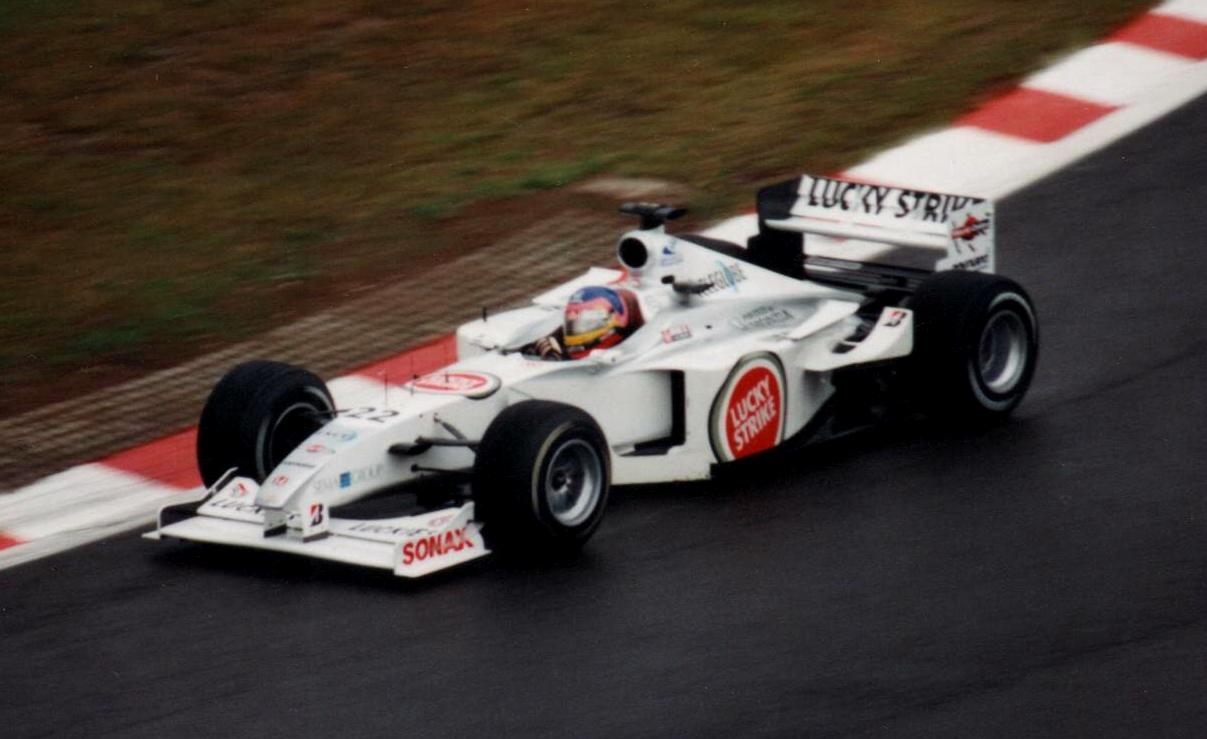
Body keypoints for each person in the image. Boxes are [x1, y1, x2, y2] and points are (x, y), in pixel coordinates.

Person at [532, 285, 644, 360]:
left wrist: (556, 360)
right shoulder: (559, 339)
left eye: (587, 323)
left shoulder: (639, 351)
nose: (576, 332)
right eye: (572, 325)